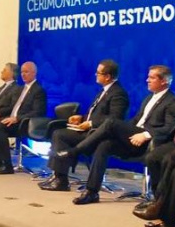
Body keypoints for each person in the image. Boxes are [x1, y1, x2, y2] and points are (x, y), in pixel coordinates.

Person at [58, 65, 175, 204]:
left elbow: (169, 128)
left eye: (152, 77)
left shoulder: (172, 101)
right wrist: (123, 131)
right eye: (148, 77)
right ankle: (92, 192)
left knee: (111, 122)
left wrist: (146, 135)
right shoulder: (148, 98)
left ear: (164, 81)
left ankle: (76, 151)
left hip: (148, 143)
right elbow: (135, 121)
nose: (147, 80)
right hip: (132, 138)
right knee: (104, 145)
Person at [41, 59, 129, 191]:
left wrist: (90, 123)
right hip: (91, 130)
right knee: (58, 133)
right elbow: (97, 114)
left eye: (98, 73)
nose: (95, 75)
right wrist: (82, 118)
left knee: (61, 135)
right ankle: (58, 176)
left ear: (107, 76)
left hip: (99, 134)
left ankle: (61, 179)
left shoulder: (118, 93)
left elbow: (115, 119)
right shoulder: (103, 91)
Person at [0, 61, 46, 175]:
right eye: (22, 72)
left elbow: (38, 112)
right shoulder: (20, 89)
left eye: (26, 72)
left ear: (34, 73)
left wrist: (17, 118)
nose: (23, 74)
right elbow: (11, 107)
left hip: (24, 122)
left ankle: (7, 165)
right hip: (12, 119)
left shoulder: (38, 90)